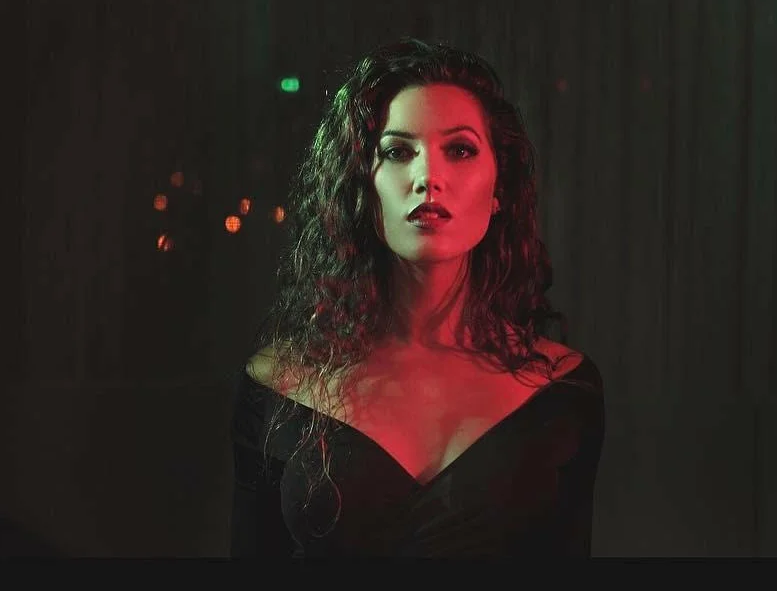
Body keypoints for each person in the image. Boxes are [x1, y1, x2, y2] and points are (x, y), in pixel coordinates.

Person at [230, 38, 605, 557]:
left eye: (460, 150)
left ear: (499, 188)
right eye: (398, 152)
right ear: (363, 185)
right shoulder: (280, 386)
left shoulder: (561, 390)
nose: (428, 178)